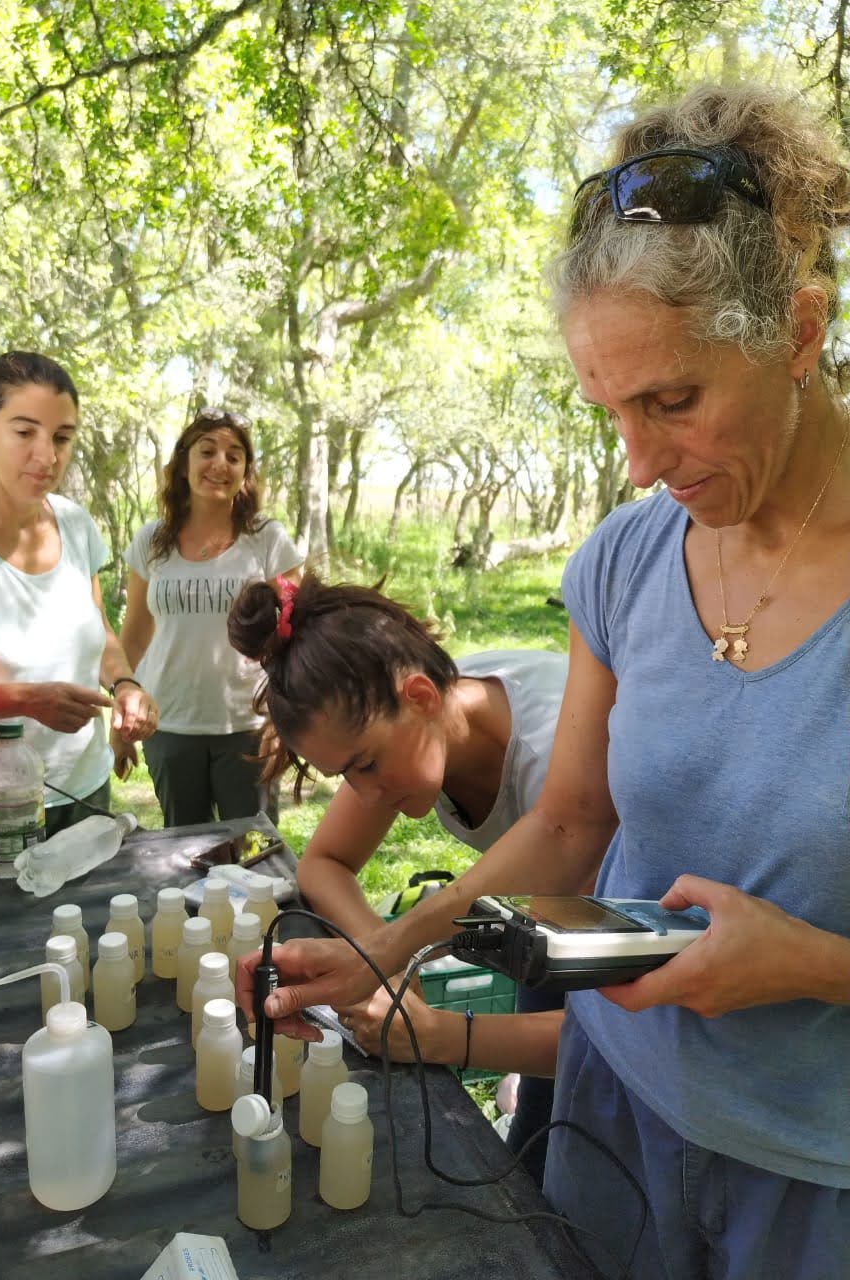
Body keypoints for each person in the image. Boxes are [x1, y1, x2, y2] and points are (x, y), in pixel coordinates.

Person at [237, 83, 850, 1280]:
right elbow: (571, 821)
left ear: (796, 327)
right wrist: (390, 947)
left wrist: (810, 963)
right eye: (609, 409)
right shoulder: (624, 561)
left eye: (674, 401)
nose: (640, 458)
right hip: (603, 1119)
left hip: (812, 1179)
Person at [227, 575, 571, 1181]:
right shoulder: (423, 716)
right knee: (540, 1149)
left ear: (419, 696)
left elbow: (637, 1036)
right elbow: (323, 863)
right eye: (344, 775)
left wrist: (446, 1037)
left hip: (671, 960)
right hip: (564, 926)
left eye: (365, 764)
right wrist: (383, 971)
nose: (366, 793)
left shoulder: (562, 770)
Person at [0, 351, 158, 854]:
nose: (47, 454)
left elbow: (101, 632)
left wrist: (126, 683)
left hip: (84, 787)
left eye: (62, 437)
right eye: (25, 433)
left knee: (85, 930)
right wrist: (27, 700)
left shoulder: (75, 524)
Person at [116, 409, 303, 826]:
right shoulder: (152, 541)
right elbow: (134, 636)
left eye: (234, 456)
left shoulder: (268, 540)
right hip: (169, 725)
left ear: (245, 473)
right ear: (183, 464)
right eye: (207, 451)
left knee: (254, 855)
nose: (220, 464)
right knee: (183, 857)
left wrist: (280, 718)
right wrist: (120, 717)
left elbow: (296, 637)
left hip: (248, 726)